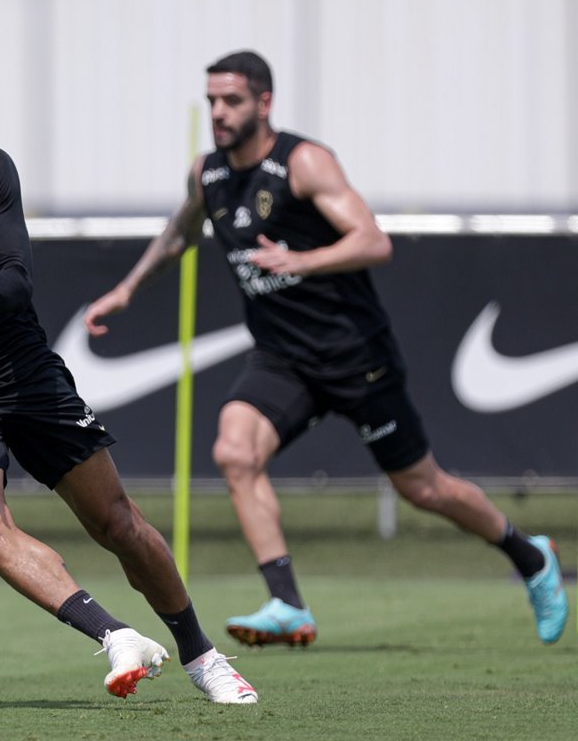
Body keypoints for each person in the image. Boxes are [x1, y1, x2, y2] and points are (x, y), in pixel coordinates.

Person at [84, 50, 569, 649]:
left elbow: (373, 240)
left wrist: (301, 260)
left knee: (422, 488)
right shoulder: (206, 173)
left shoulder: (304, 162)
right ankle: (287, 604)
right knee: (235, 452)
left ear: (263, 103)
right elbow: (182, 231)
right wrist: (126, 291)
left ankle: (530, 555)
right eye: (211, 100)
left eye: (231, 100)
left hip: (354, 354)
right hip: (282, 358)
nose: (218, 112)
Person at [0, 66, 257, 704]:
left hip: (20, 369)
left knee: (117, 522)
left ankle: (202, 655)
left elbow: (17, 280)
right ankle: (115, 635)